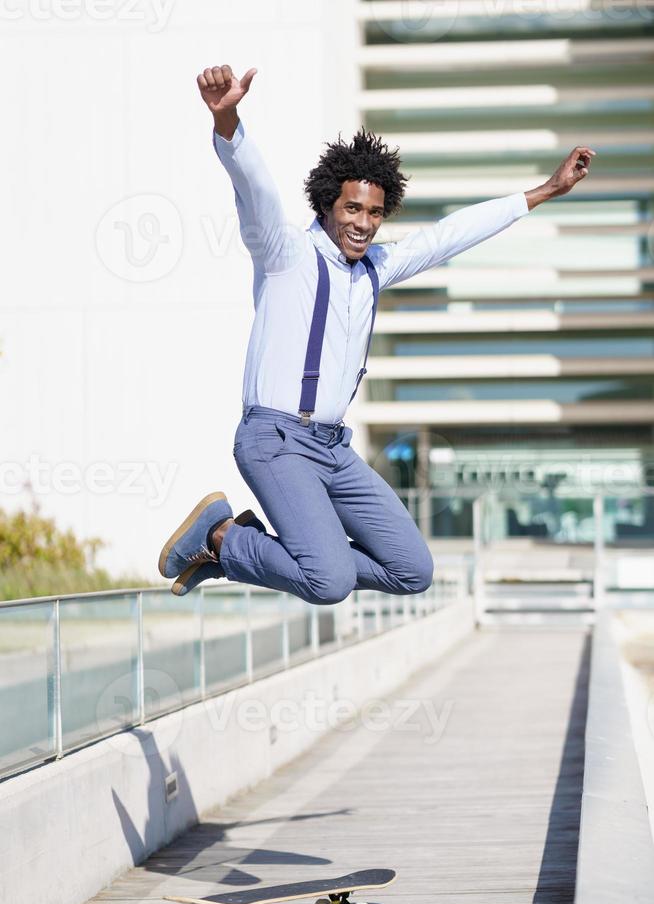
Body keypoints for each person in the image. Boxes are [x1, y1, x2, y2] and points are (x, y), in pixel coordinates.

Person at [158, 64, 596, 603]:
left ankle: (256, 546)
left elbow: (447, 237)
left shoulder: (376, 268)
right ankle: (222, 539)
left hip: (332, 446)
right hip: (275, 441)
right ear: (326, 205)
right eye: (352, 208)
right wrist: (228, 120)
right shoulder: (285, 254)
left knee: (412, 570)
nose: (363, 222)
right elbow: (256, 190)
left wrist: (546, 191)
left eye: (374, 212)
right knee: (331, 581)